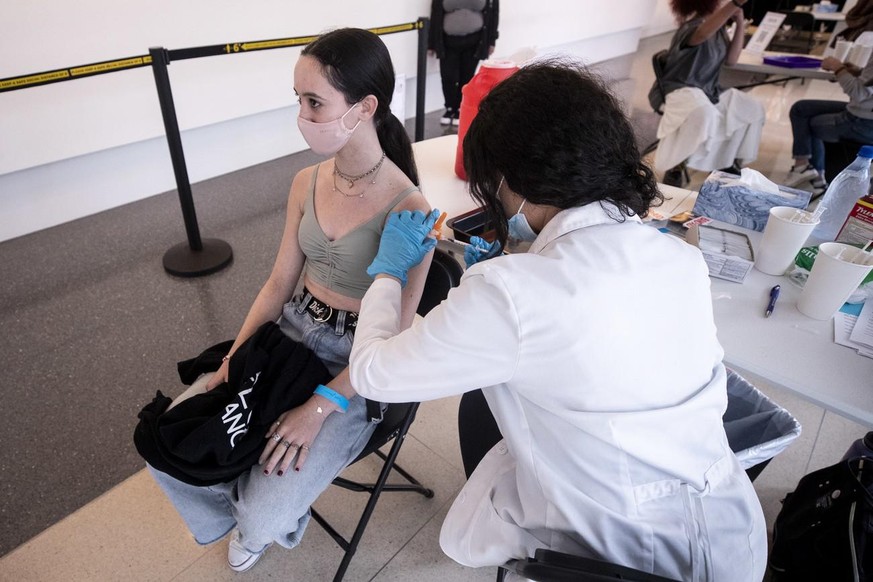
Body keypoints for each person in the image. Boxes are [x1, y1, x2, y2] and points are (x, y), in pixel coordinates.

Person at [349, 59, 768, 581]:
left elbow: (374, 373)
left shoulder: (514, 293)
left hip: (618, 559)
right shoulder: (677, 257)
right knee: (485, 408)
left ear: (513, 179)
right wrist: (504, 282)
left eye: (495, 185)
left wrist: (389, 273)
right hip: (730, 532)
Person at [147, 28, 433, 573]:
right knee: (165, 445)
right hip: (290, 334)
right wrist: (235, 354)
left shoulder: (410, 208)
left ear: (364, 107)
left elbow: (391, 339)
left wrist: (319, 408)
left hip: (354, 364)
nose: (301, 114)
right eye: (299, 100)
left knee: (259, 517)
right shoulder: (305, 181)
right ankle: (256, 492)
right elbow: (279, 285)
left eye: (314, 102)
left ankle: (261, 509)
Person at [651, 0, 766, 187]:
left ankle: (726, 161)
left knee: (752, 108)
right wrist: (735, 4)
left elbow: (731, 60)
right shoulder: (692, 27)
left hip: (707, 90)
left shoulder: (719, 30)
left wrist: (739, 23)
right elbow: (703, 34)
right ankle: (677, 165)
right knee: (705, 114)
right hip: (680, 88)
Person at [785, 1, 873, 194]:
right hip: (863, 113)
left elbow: (860, 94)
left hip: (863, 121)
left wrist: (838, 68)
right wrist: (856, 71)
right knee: (800, 109)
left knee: (810, 124)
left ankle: (813, 177)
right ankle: (805, 169)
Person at [429, 0, 499, 126]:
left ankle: (461, 108)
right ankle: (450, 108)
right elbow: (435, 12)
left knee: (467, 76)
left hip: (475, 41)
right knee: (448, 76)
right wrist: (431, 43)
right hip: (448, 41)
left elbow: (493, 12)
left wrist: (492, 40)